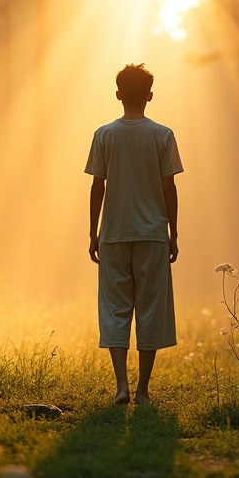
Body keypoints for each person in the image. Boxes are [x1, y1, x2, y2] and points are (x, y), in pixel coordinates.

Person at [86, 63, 182, 406]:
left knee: (115, 308)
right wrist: (173, 232)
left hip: (113, 232)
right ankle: (142, 390)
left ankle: (120, 387)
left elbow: (98, 186)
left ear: (118, 95)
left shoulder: (104, 134)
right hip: (153, 233)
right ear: (150, 96)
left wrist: (93, 232)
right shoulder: (163, 135)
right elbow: (169, 188)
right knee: (151, 308)